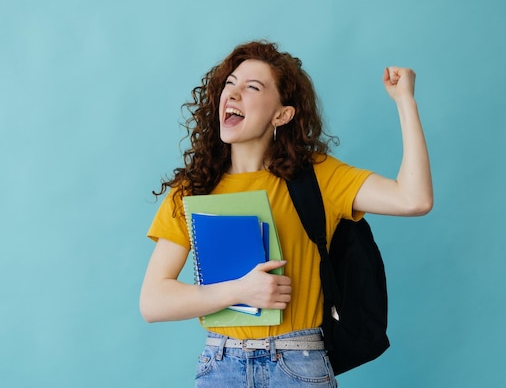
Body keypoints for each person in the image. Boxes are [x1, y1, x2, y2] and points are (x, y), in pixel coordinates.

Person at [139, 40, 433, 387]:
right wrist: (238, 291)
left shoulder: (317, 177)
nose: (233, 94)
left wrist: (405, 102)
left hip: (298, 365)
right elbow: (153, 302)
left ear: (283, 114)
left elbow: (414, 199)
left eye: (252, 87)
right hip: (220, 366)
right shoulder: (193, 189)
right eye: (230, 84)